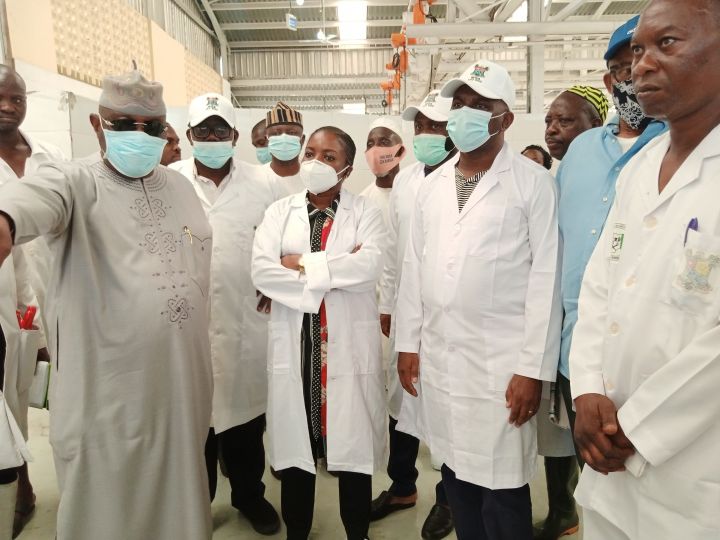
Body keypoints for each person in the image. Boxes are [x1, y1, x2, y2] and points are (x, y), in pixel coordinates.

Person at [0, 67, 213, 540]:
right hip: (107, 399)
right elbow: (27, 203)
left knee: (182, 508)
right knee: (107, 513)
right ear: (98, 125)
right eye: (123, 124)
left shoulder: (181, 187)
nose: (139, 136)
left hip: (180, 396)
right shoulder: (73, 182)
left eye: (151, 127)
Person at [569, 1, 720, 538]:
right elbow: (599, 285)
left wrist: (635, 427)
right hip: (609, 467)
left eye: (668, 44)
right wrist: (586, 388)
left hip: (693, 479)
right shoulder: (640, 172)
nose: (641, 67)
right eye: (637, 51)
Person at [395, 60, 562, 540]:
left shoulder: (533, 185)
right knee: (455, 477)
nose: (464, 113)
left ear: (505, 119)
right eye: (460, 104)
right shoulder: (431, 186)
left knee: (504, 493)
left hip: (501, 366)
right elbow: (414, 269)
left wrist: (533, 369)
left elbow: (545, 280)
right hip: (443, 360)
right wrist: (409, 343)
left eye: (479, 106)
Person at [251, 126, 387, 540]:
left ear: (346, 168)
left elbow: (369, 267)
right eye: (311, 152)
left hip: (345, 353)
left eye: (329, 157)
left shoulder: (366, 212)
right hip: (298, 347)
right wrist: (333, 270)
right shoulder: (279, 212)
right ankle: (297, 532)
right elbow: (262, 271)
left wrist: (299, 264)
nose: (315, 162)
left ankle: (357, 533)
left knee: (352, 454)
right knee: (297, 455)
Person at [170, 92, 283, 535]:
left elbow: (284, 244)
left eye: (220, 130)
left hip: (244, 325)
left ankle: (249, 497)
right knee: (193, 425)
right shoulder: (168, 180)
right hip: (185, 326)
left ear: (235, 136)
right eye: (203, 131)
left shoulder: (264, 184)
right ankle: (197, 503)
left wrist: (276, 285)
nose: (212, 137)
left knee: (245, 425)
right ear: (189, 136)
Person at [372, 90, 456, 540]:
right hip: (405, 309)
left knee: (441, 403)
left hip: (446, 313)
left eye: (435, 126)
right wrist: (387, 304)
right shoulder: (405, 180)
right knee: (399, 400)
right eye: (420, 126)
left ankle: (448, 498)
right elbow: (391, 247)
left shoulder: (468, 179)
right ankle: (402, 485)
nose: (425, 134)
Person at [533, 86, 609, 540]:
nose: (553, 130)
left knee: (588, 436)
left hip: (591, 330)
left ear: (594, 127)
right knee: (554, 434)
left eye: (566, 121)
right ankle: (562, 511)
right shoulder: (555, 178)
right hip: (555, 327)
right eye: (549, 121)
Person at [0, 64, 63, 537]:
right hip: (3, 310)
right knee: (8, 403)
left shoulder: (50, 157)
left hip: (55, 301)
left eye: (16, 98)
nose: (8, 106)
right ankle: (19, 488)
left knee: (53, 399)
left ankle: (68, 484)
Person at [0, 247, 37, 540]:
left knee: (10, 421)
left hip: (5, 334)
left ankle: (21, 491)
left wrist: (39, 342)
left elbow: (23, 280)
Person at [361, 116, 406, 225]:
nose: (375, 150)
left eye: (384, 142)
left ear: (400, 151)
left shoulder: (416, 194)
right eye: (370, 144)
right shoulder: (362, 202)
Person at [544, 85, 608, 160]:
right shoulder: (567, 169)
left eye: (564, 120)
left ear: (594, 126)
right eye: (548, 121)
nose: (550, 130)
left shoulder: (613, 168)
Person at [256, 102, 305, 195]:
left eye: (291, 132)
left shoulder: (311, 178)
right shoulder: (255, 178)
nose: (284, 138)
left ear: (302, 140)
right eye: (275, 133)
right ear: (267, 140)